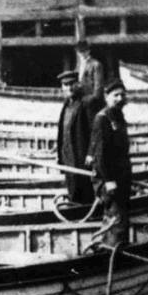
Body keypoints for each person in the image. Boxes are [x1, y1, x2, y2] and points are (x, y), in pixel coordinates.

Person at [88, 80, 133, 246]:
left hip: (122, 177)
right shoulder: (102, 119)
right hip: (109, 179)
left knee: (120, 216)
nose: (120, 98)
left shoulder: (118, 116)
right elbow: (100, 154)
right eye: (116, 95)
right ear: (107, 97)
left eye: (122, 95)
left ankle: (112, 247)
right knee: (117, 218)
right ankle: (115, 252)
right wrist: (108, 181)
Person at [55, 69, 99, 205]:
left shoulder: (86, 103)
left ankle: (85, 211)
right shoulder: (66, 105)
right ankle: (75, 208)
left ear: (78, 84)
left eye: (72, 84)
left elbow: (95, 131)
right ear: (62, 87)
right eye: (65, 85)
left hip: (81, 155)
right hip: (67, 155)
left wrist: (91, 153)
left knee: (84, 189)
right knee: (72, 187)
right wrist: (59, 148)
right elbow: (65, 129)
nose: (69, 88)